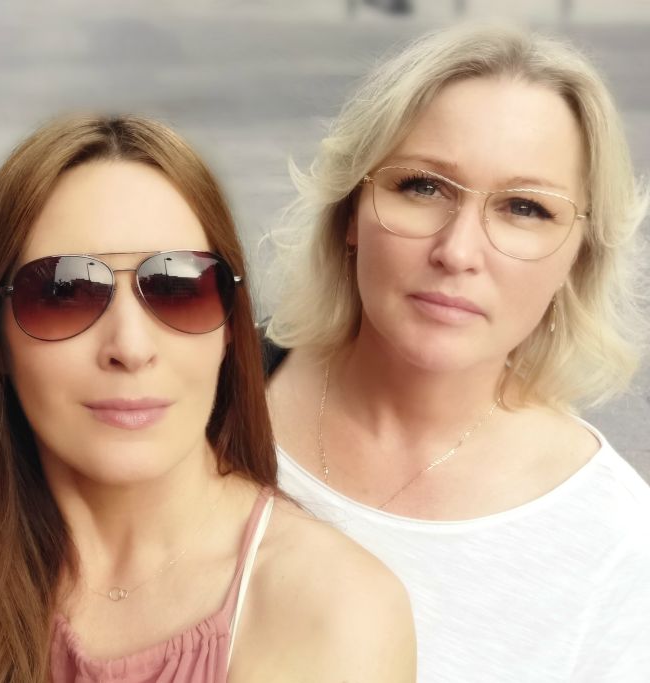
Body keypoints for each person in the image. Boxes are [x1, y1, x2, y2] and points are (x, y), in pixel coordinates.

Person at [0, 115, 416, 682]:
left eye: (179, 288)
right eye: (62, 293)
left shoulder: (338, 605)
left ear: (230, 328)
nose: (130, 348)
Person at [264, 23, 650, 682]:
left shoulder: (616, 545)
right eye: (423, 186)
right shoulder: (191, 407)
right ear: (351, 211)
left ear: (578, 258)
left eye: (525, 207)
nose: (459, 251)